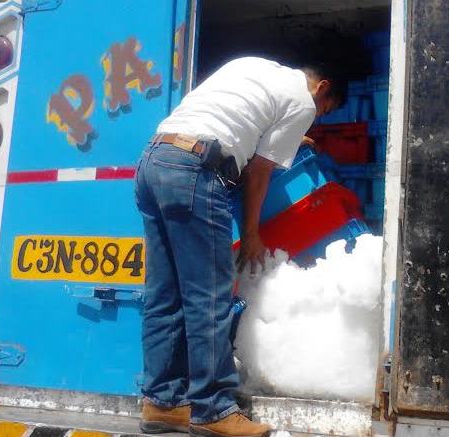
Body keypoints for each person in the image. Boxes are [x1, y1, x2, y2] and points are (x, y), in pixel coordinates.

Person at [133, 57, 344, 437]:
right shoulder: (301, 101)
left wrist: (290, 138)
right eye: (323, 110)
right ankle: (213, 409)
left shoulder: (254, 68)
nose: (317, 118)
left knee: (164, 295)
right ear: (322, 88)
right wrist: (250, 234)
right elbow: (259, 173)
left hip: (154, 161)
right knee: (209, 297)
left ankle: (162, 402)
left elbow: (239, 121)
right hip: (195, 171)